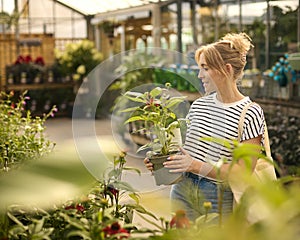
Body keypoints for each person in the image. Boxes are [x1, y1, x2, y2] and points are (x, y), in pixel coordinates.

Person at [144, 32, 266, 221]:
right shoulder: (200, 105)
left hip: (216, 197)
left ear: (225, 69)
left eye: (205, 68)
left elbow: (243, 172)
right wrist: (162, 162)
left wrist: (195, 166)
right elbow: (189, 152)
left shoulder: (250, 112)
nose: (199, 75)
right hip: (181, 189)